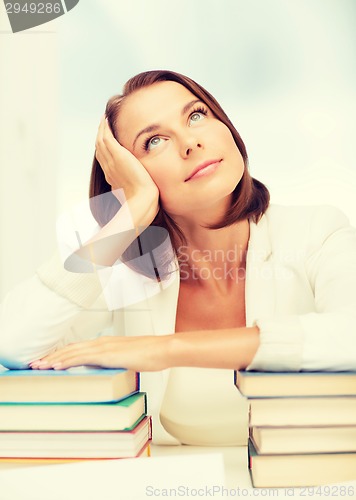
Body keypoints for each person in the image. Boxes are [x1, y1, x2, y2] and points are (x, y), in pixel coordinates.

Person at [1, 70, 356, 446]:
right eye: (154, 141)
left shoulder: (317, 231)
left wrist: (165, 349)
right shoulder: (129, 273)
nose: (190, 142)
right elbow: (14, 341)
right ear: (127, 175)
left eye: (196, 115)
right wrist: (129, 214)